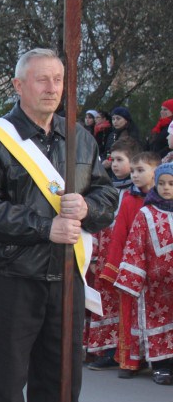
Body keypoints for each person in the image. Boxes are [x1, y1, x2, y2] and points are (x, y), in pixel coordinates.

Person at [0, 48, 118, 402]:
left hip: (67, 279)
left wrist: (88, 206)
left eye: (58, 80)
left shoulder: (81, 139)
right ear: (19, 85)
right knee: (6, 387)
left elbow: (107, 197)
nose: (52, 88)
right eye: (41, 79)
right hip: (13, 277)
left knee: (61, 386)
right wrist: (42, 227)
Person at [97, 150, 160, 377]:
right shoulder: (130, 200)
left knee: (159, 315)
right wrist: (115, 266)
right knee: (130, 313)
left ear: (156, 172)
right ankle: (131, 359)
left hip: (159, 267)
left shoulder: (165, 200)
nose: (134, 175)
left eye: (140, 170)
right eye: (132, 171)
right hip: (133, 266)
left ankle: (161, 362)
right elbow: (120, 233)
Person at [114, 162, 173, 385]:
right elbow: (135, 246)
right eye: (162, 184)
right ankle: (160, 366)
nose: (166, 188)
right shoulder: (145, 213)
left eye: (171, 184)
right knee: (157, 323)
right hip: (154, 286)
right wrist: (133, 278)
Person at [84, 137, 139, 369]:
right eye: (112, 160)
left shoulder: (135, 194)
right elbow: (96, 222)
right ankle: (104, 348)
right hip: (104, 255)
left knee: (122, 303)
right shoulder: (106, 188)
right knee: (103, 302)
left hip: (124, 256)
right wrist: (94, 255)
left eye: (120, 160)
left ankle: (122, 349)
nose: (115, 165)